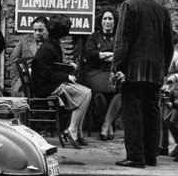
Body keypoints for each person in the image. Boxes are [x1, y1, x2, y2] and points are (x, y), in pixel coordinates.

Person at [111, 0, 174, 168]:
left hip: (133, 71)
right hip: (155, 73)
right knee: (152, 113)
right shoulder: (162, 11)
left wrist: (117, 67)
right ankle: (151, 156)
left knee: (133, 115)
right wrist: (162, 70)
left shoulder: (130, 6)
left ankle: (136, 157)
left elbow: (122, 40)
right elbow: (169, 46)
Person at [32, 14, 92, 149]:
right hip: (45, 88)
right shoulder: (47, 49)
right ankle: (72, 129)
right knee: (85, 94)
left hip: (50, 84)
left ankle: (77, 130)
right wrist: (66, 77)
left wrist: (68, 66)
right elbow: (46, 73)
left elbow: (53, 66)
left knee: (88, 93)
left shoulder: (52, 44)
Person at [83, 10, 122, 141]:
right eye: (105, 19)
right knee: (99, 94)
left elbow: (122, 54)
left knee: (120, 92)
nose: (107, 22)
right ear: (101, 21)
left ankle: (106, 125)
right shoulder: (94, 36)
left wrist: (102, 55)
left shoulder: (119, 36)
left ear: (114, 22)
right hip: (96, 72)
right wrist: (107, 55)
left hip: (113, 72)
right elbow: (89, 54)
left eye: (110, 19)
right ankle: (109, 124)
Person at [159, 30, 178, 156]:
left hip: (172, 91)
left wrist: (174, 77)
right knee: (161, 120)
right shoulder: (160, 54)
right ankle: (162, 145)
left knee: (168, 119)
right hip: (162, 90)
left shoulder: (177, 57)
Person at [10, 16, 49, 96]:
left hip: (44, 77)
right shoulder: (24, 41)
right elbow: (14, 59)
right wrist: (24, 70)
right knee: (21, 89)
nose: (37, 33)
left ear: (46, 30)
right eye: (35, 30)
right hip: (26, 76)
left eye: (40, 30)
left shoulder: (50, 43)